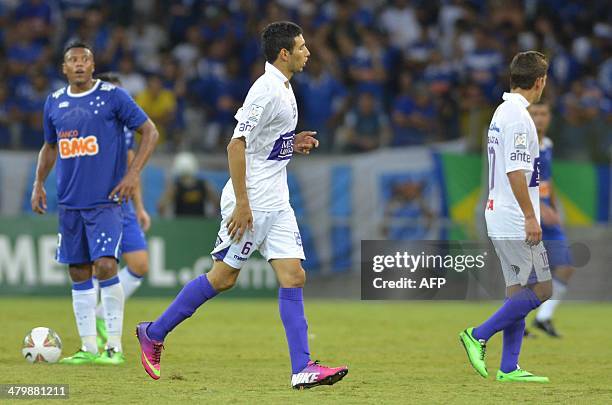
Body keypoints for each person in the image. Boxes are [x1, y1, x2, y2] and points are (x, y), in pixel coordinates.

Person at [135, 21, 348, 389]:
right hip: (252, 200)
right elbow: (236, 145)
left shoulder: (282, 87)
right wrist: (243, 205)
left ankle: (302, 368)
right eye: (301, 46)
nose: (307, 51)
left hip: (276, 200)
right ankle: (153, 333)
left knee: (294, 275)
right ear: (284, 53)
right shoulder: (265, 90)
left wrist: (290, 143)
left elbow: (262, 143)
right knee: (223, 277)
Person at [31, 42, 159, 365]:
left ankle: (113, 347)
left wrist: (132, 175)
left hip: (106, 201)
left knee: (105, 266)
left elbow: (150, 132)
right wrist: (38, 184)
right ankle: (88, 348)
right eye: (72, 60)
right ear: (64, 68)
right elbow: (49, 147)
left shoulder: (113, 96)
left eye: (84, 60)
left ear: (92, 65)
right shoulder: (54, 103)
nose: (78, 65)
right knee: (78, 271)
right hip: (70, 204)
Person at [459, 51, 552, 383]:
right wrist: (530, 216)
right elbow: (515, 171)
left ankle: (509, 367)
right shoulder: (517, 117)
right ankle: (478, 334)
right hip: (513, 215)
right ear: (539, 82)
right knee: (542, 289)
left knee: (518, 291)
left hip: (501, 211)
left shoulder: (503, 111)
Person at [92, 72, 152, 349]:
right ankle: (91, 325)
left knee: (140, 265)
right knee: (101, 266)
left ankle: (102, 313)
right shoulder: (89, 125)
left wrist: (140, 207)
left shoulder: (128, 128)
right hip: (98, 203)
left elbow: (133, 169)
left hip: (124, 204)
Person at [526, 100, 575, 337]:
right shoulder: (525, 144)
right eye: (535, 113)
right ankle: (515, 322)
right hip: (528, 212)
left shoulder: (547, 143)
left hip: (547, 212)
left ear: (550, 117)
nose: (539, 118)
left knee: (566, 265)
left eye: (543, 113)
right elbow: (521, 181)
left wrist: (554, 206)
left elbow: (546, 179)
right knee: (526, 272)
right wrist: (538, 208)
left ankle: (543, 317)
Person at [157, 151, 219, 217]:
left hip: (181, 225)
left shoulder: (175, 187)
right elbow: (217, 203)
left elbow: (161, 206)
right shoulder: (204, 184)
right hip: (200, 224)